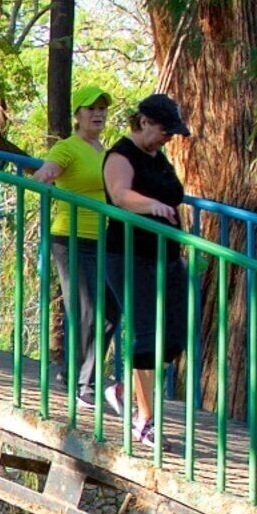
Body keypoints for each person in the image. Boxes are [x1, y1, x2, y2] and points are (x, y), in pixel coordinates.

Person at [103, 92, 194, 450]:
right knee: (147, 334)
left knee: (175, 336)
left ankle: (122, 391)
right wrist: (151, 205)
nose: (168, 138)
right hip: (129, 255)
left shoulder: (159, 157)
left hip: (166, 256)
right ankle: (144, 421)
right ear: (143, 123)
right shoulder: (121, 155)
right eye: (164, 131)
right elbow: (119, 194)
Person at [28, 81, 118, 406]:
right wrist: (47, 175)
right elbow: (46, 173)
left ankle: (74, 374)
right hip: (71, 238)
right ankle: (83, 385)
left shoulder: (104, 152)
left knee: (111, 310)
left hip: (102, 240)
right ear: (77, 115)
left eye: (102, 109)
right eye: (91, 108)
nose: (98, 114)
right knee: (86, 308)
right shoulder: (68, 148)